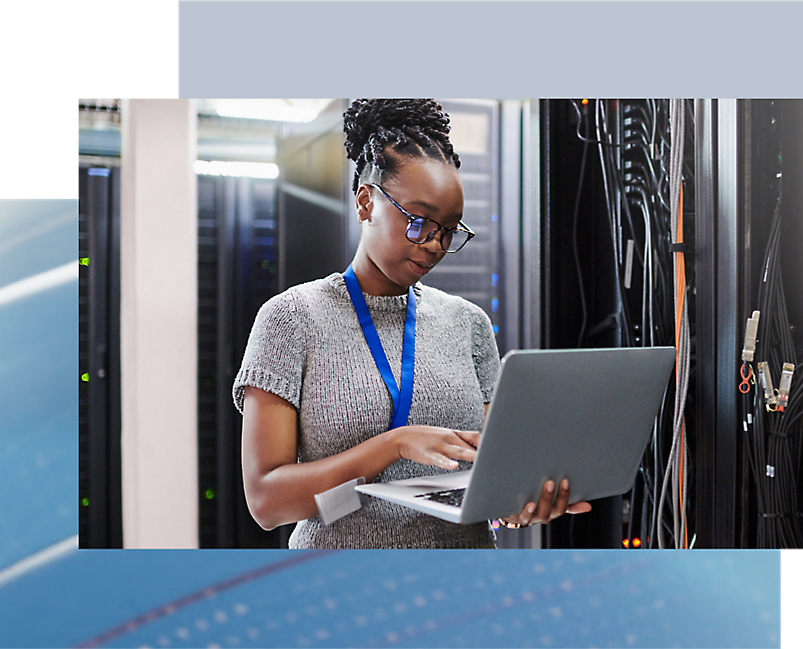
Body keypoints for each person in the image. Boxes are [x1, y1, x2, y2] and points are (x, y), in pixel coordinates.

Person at [233, 99, 589, 548]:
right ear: (366, 202)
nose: (435, 245)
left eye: (450, 229)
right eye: (420, 222)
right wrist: (393, 445)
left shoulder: (468, 325)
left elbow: (491, 473)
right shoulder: (292, 320)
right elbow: (267, 502)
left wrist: (521, 500)